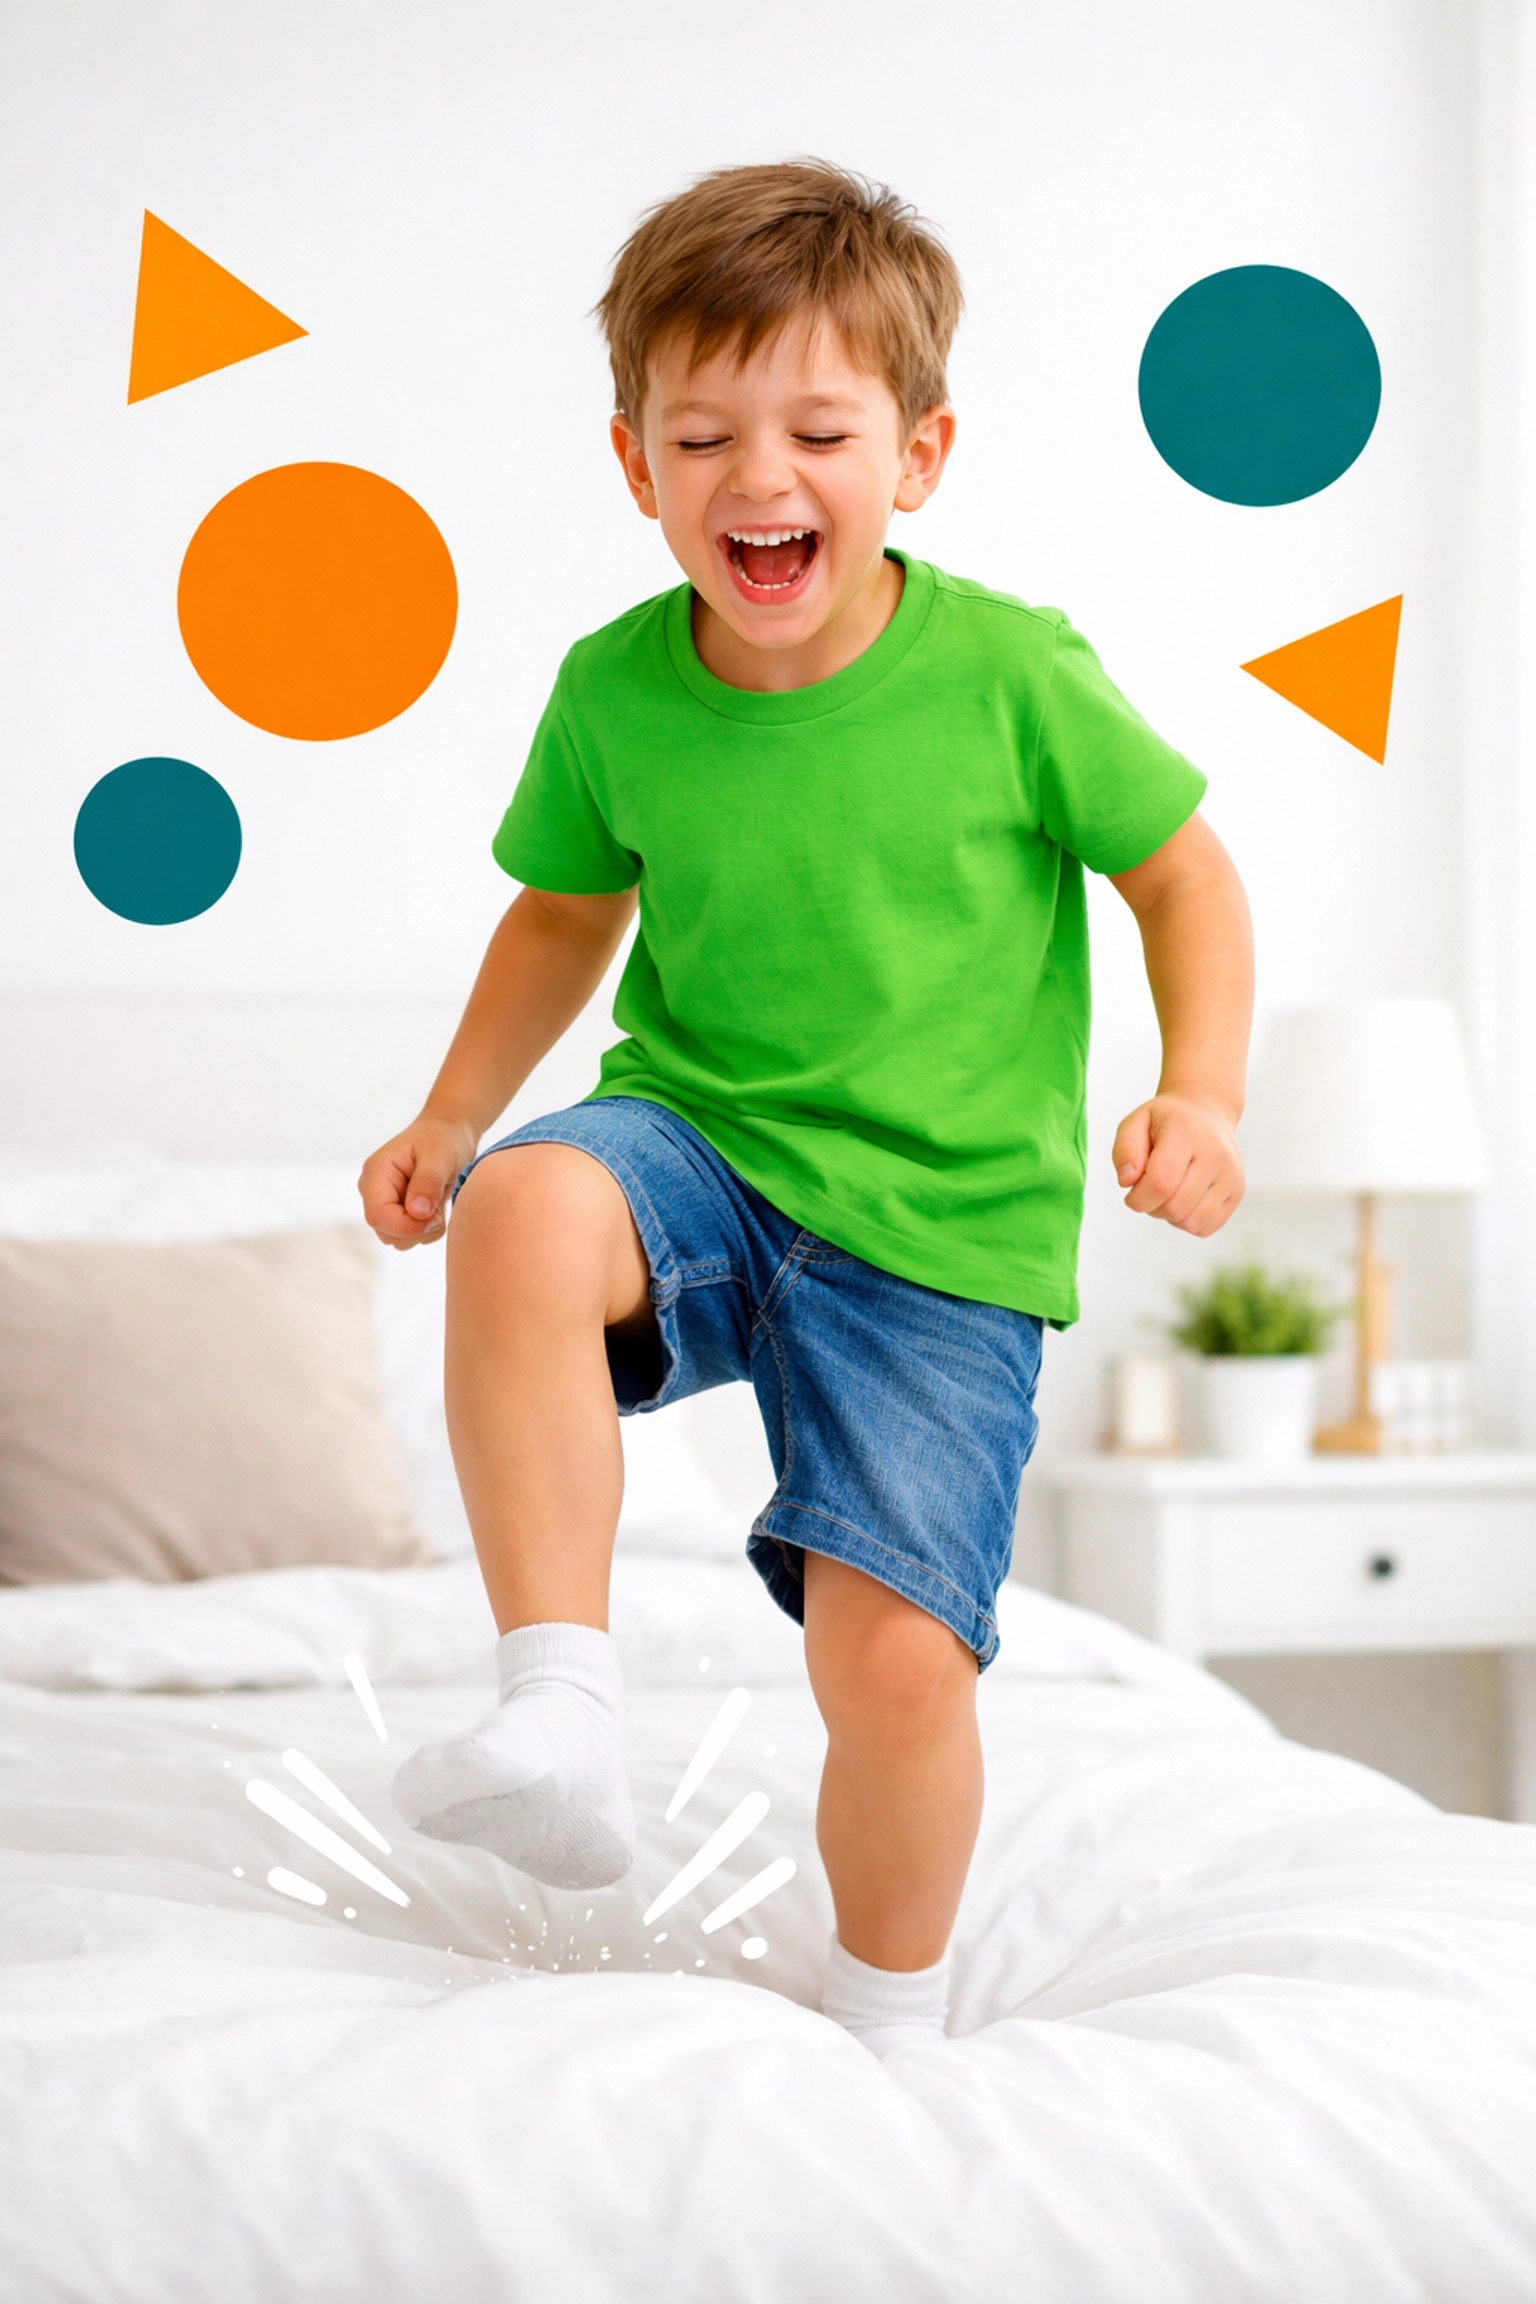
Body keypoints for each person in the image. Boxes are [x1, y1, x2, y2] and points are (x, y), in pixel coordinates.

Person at [359, 160, 1252, 2056]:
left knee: (901, 1665)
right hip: (699, 1157)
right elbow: (561, 915)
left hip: (936, 1237)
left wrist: (1205, 1090)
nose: (760, 477)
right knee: (527, 1205)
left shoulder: (1011, 674)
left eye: (819, 430)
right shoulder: (616, 693)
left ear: (916, 456)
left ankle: (888, 2011)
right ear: (636, 467)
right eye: (704, 436)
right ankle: (563, 1709)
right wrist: (456, 1112)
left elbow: (1187, 876)